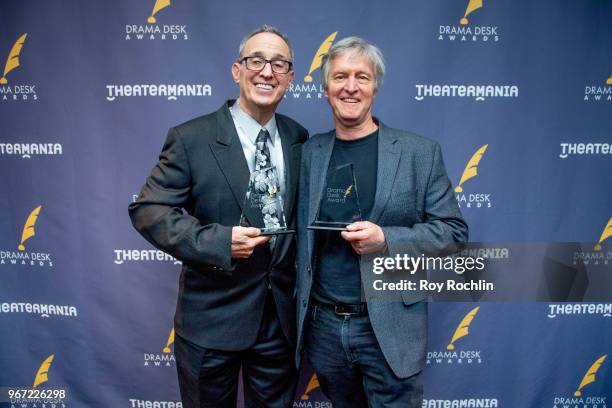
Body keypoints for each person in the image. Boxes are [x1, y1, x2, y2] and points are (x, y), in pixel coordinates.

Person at [129, 25, 308, 407]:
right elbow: (148, 210)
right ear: (236, 70)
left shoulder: (298, 138)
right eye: (256, 60)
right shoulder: (191, 138)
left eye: (279, 64)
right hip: (210, 323)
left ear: (291, 78)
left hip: (279, 326)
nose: (267, 71)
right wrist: (218, 242)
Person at [295, 37, 468, 407]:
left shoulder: (419, 153)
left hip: (390, 327)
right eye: (341, 76)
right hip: (324, 328)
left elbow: (453, 235)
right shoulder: (309, 153)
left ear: (375, 87)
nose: (351, 86)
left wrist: (385, 239)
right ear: (325, 88)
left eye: (362, 76)